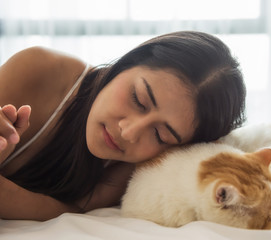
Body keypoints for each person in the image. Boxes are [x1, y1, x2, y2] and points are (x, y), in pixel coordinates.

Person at [0, 31, 246, 221]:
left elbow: (73, 208)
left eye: (160, 135)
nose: (128, 132)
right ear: (129, 62)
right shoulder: (40, 69)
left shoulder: (136, 165)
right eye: (138, 99)